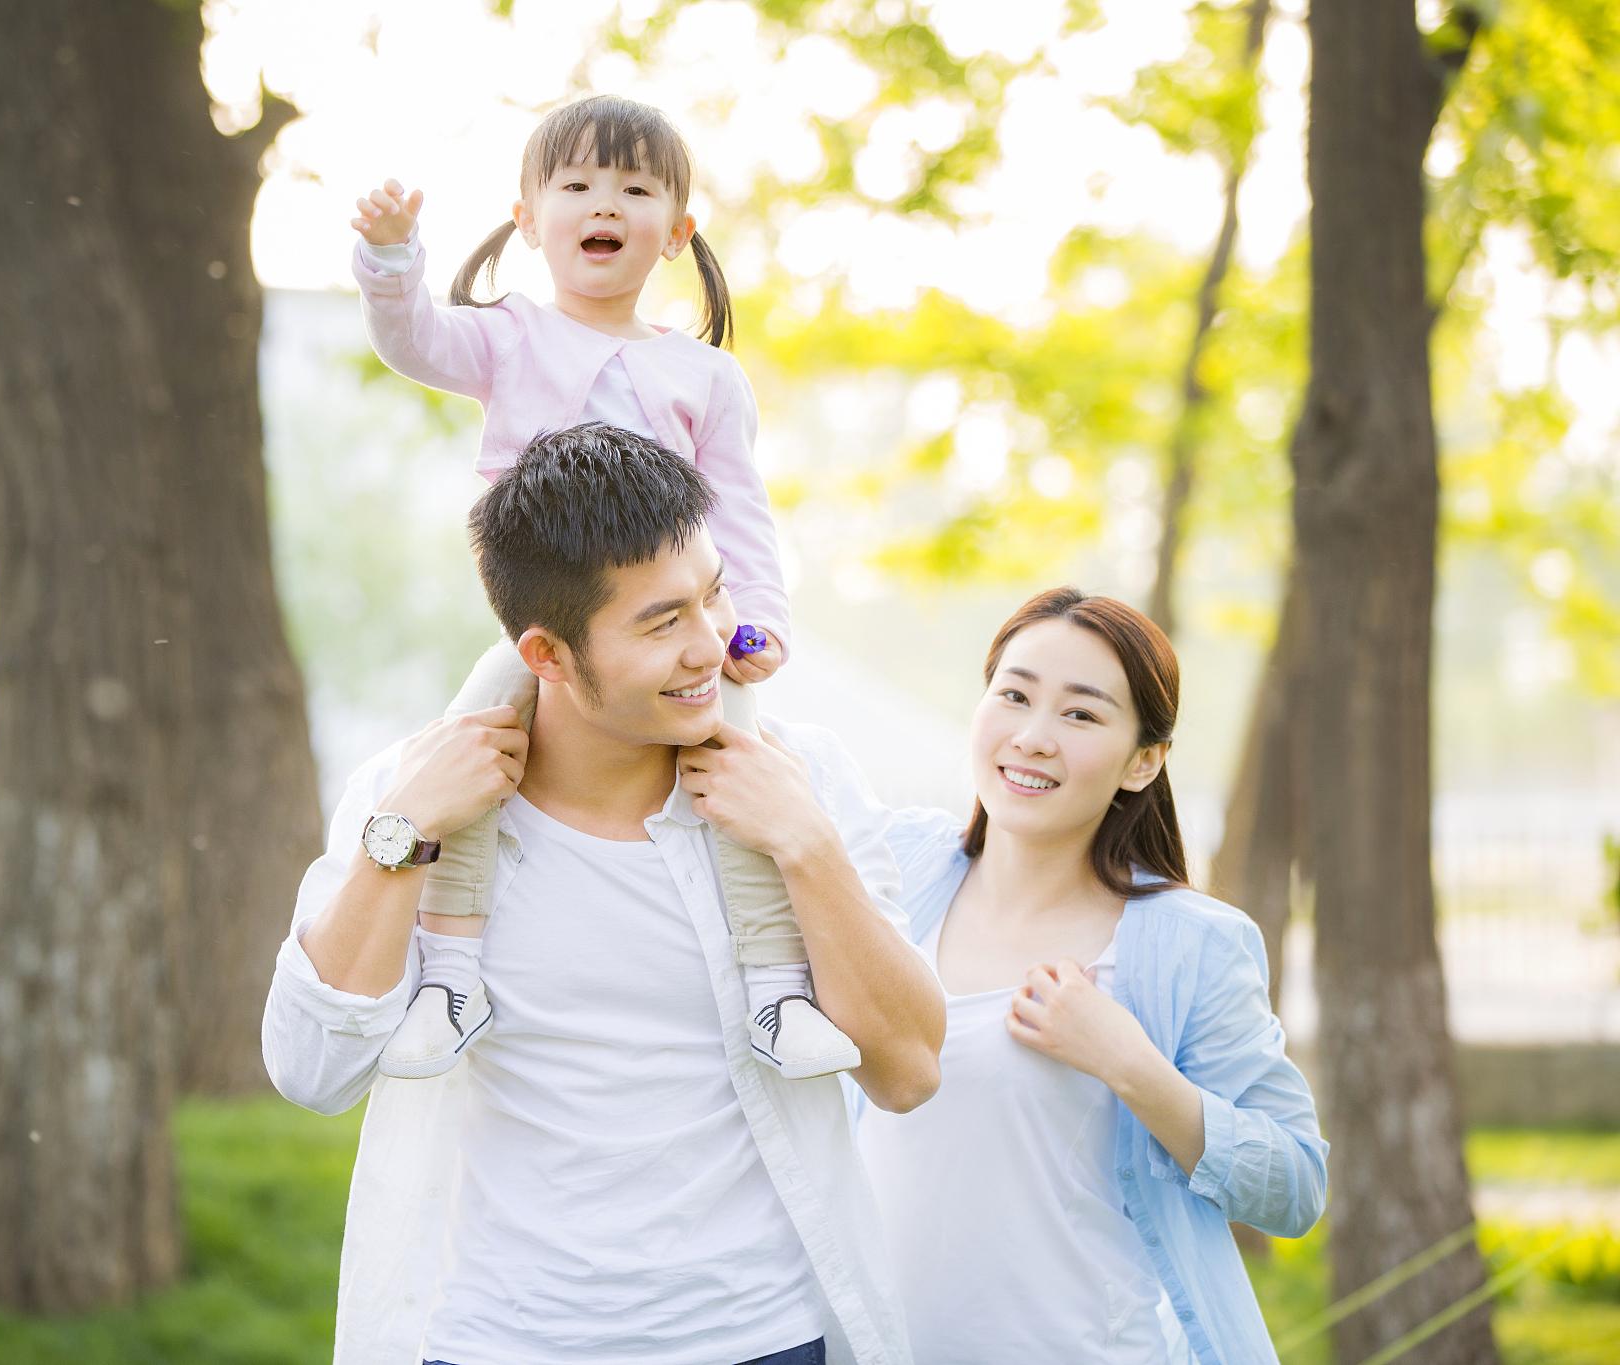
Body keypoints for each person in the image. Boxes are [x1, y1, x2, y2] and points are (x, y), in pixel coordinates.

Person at [262, 425, 944, 1365]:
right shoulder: (413, 791)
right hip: (496, 1342)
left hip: (761, 1337)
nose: (712, 647)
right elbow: (312, 1069)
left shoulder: (801, 776)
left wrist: (807, 844)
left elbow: (907, 1070)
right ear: (546, 654)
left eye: (714, 595)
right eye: (663, 623)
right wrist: (402, 835)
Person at [348, 93, 858, 1081]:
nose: (604, 204)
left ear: (676, 231)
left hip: (679, 629)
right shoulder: (504, 337)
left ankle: (776, 993)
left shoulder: (703, 377)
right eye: (575, 184)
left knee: (746, 775)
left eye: (634, 188)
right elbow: (411, 341)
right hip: (549, 624)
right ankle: (449, 977)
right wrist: (393, 259)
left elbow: (741, 508)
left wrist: (754, 622)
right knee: (469, 755)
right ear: (528, 217)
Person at [859, 587, 1328, 1365]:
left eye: (1081, 714)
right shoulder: (895, 867)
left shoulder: (1190, 946)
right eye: (1013, 695)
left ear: (1144, 761)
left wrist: (1132, 1063)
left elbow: (1294, 1186)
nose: (1033, 736)